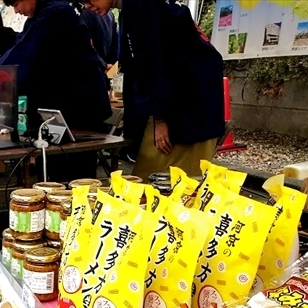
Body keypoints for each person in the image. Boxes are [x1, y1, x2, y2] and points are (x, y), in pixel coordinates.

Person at [84, 0, 224, 177]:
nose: (87, 6)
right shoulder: (132, 9)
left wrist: (160, 119)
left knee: (166, 182)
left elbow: (154, 64)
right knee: (151, 181)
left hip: (187, 103)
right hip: (178, 98)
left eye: (88, 0)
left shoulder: (143, 6)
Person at [0, 0, 112, 179]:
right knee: (53, 172)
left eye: (16, 3)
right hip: (61, 110)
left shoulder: (56, 13)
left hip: (79, 108)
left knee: (75, 177)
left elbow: (27, 55)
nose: (17, 10)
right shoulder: (40, 17)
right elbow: (21, 52)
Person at [82, 8, 118, 75]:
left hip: (90, 72)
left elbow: (85, 46)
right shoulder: (109, 14)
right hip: (108, 71)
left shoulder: (82, 14)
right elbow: (115, 45)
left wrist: (103, 65)